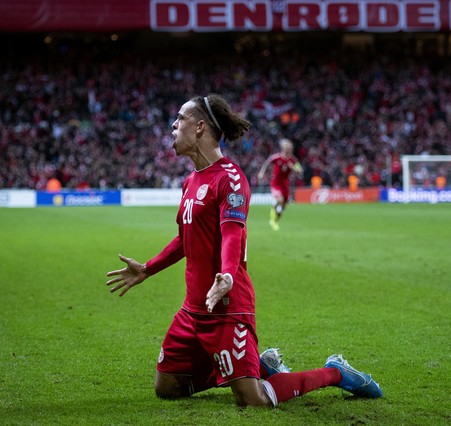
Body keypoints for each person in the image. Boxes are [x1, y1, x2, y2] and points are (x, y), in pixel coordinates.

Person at [105, 94, 382, 407]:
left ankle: (335, 372)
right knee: (167, 388)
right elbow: (185, 239)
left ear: (199, 128)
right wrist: (148, 268)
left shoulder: (231, 179)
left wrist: (226, 274)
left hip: (227, 308)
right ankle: (254, 367)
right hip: (192, 310)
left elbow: (232, 235)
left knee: (255, 400)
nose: (173, 124)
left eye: (180, 118)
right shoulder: (190, 182)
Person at [257, 138, 303, 231]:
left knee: (284, 205)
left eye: (290, 147)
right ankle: (273, 215)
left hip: (285, 184)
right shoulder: (277, 157)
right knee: (280, 200)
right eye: (287, 147)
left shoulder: (293, 160)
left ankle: (275, 220)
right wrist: (262, 173)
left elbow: (300, 170)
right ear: (283, 148)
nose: (289, 149)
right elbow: (267, 163)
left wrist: (294, 168)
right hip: (276, 183)